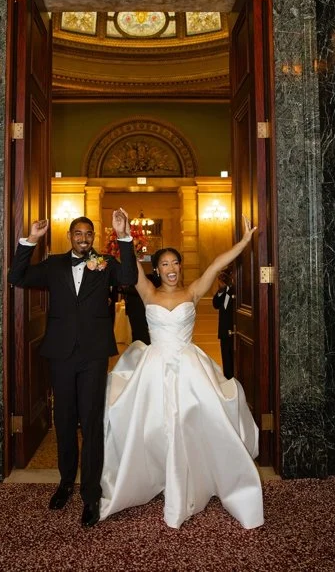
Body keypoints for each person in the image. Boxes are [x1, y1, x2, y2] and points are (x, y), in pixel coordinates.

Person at [100, 220, 264, 529]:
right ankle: (158, 476)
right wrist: (123, 235)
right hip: (154, 367)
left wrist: (243, 243)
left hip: (189, 368)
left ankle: (194, 476)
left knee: (190, 422)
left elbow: (215, 265)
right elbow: (131, 265)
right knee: (153, 425)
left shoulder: (193, 291)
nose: (171, 268)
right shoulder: (148, 292)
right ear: (157, 270)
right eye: (165, 264)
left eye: (175, 262)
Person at [8, 211, 138, 527]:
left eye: (88, 234)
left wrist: (124, 236)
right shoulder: (53, 265)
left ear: (93, 237)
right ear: (70, 236)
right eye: (78, 233)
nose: (83, 238)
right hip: (61, 353)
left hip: (94, 354)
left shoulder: (104, 263)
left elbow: (130, 278)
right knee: (64, 420)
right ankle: (66, 482)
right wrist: (31, 240)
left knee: (91, 422)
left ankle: (91, 494)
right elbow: (17, 277)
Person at [213, 267, 237, 379]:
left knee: (235, 364)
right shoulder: (224, 290)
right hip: (224, 332)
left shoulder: (237, 289)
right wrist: (220, 290)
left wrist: (231, 285)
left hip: (234, 332)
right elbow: (216, 304)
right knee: (227, 364)